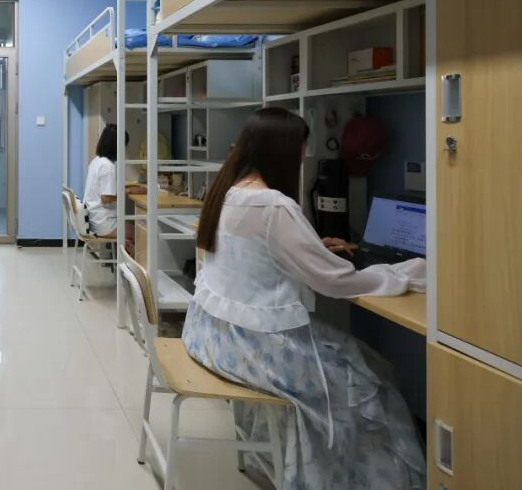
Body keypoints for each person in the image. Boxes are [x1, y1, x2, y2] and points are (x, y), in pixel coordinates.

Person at [181, 107, 426, 489]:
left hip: (214, 337)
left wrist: (310, 247)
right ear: (283, 150)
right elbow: (335, 282)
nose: (303, 158)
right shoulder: (275, 206)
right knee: (373, 376)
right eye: (301, 149)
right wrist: (399, 275)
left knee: (353, 356)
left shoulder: (227, 191)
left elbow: (257, 255)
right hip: (257, 348)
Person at [83, 123, 135, 249]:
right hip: (103, 224)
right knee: (140, 233)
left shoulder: (96, 161)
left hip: (93, 219)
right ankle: (131, 260)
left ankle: (126, 257)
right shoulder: (108, 167)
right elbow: (106, 198)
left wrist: (126, 190)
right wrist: (127, 192)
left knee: (133, 226)